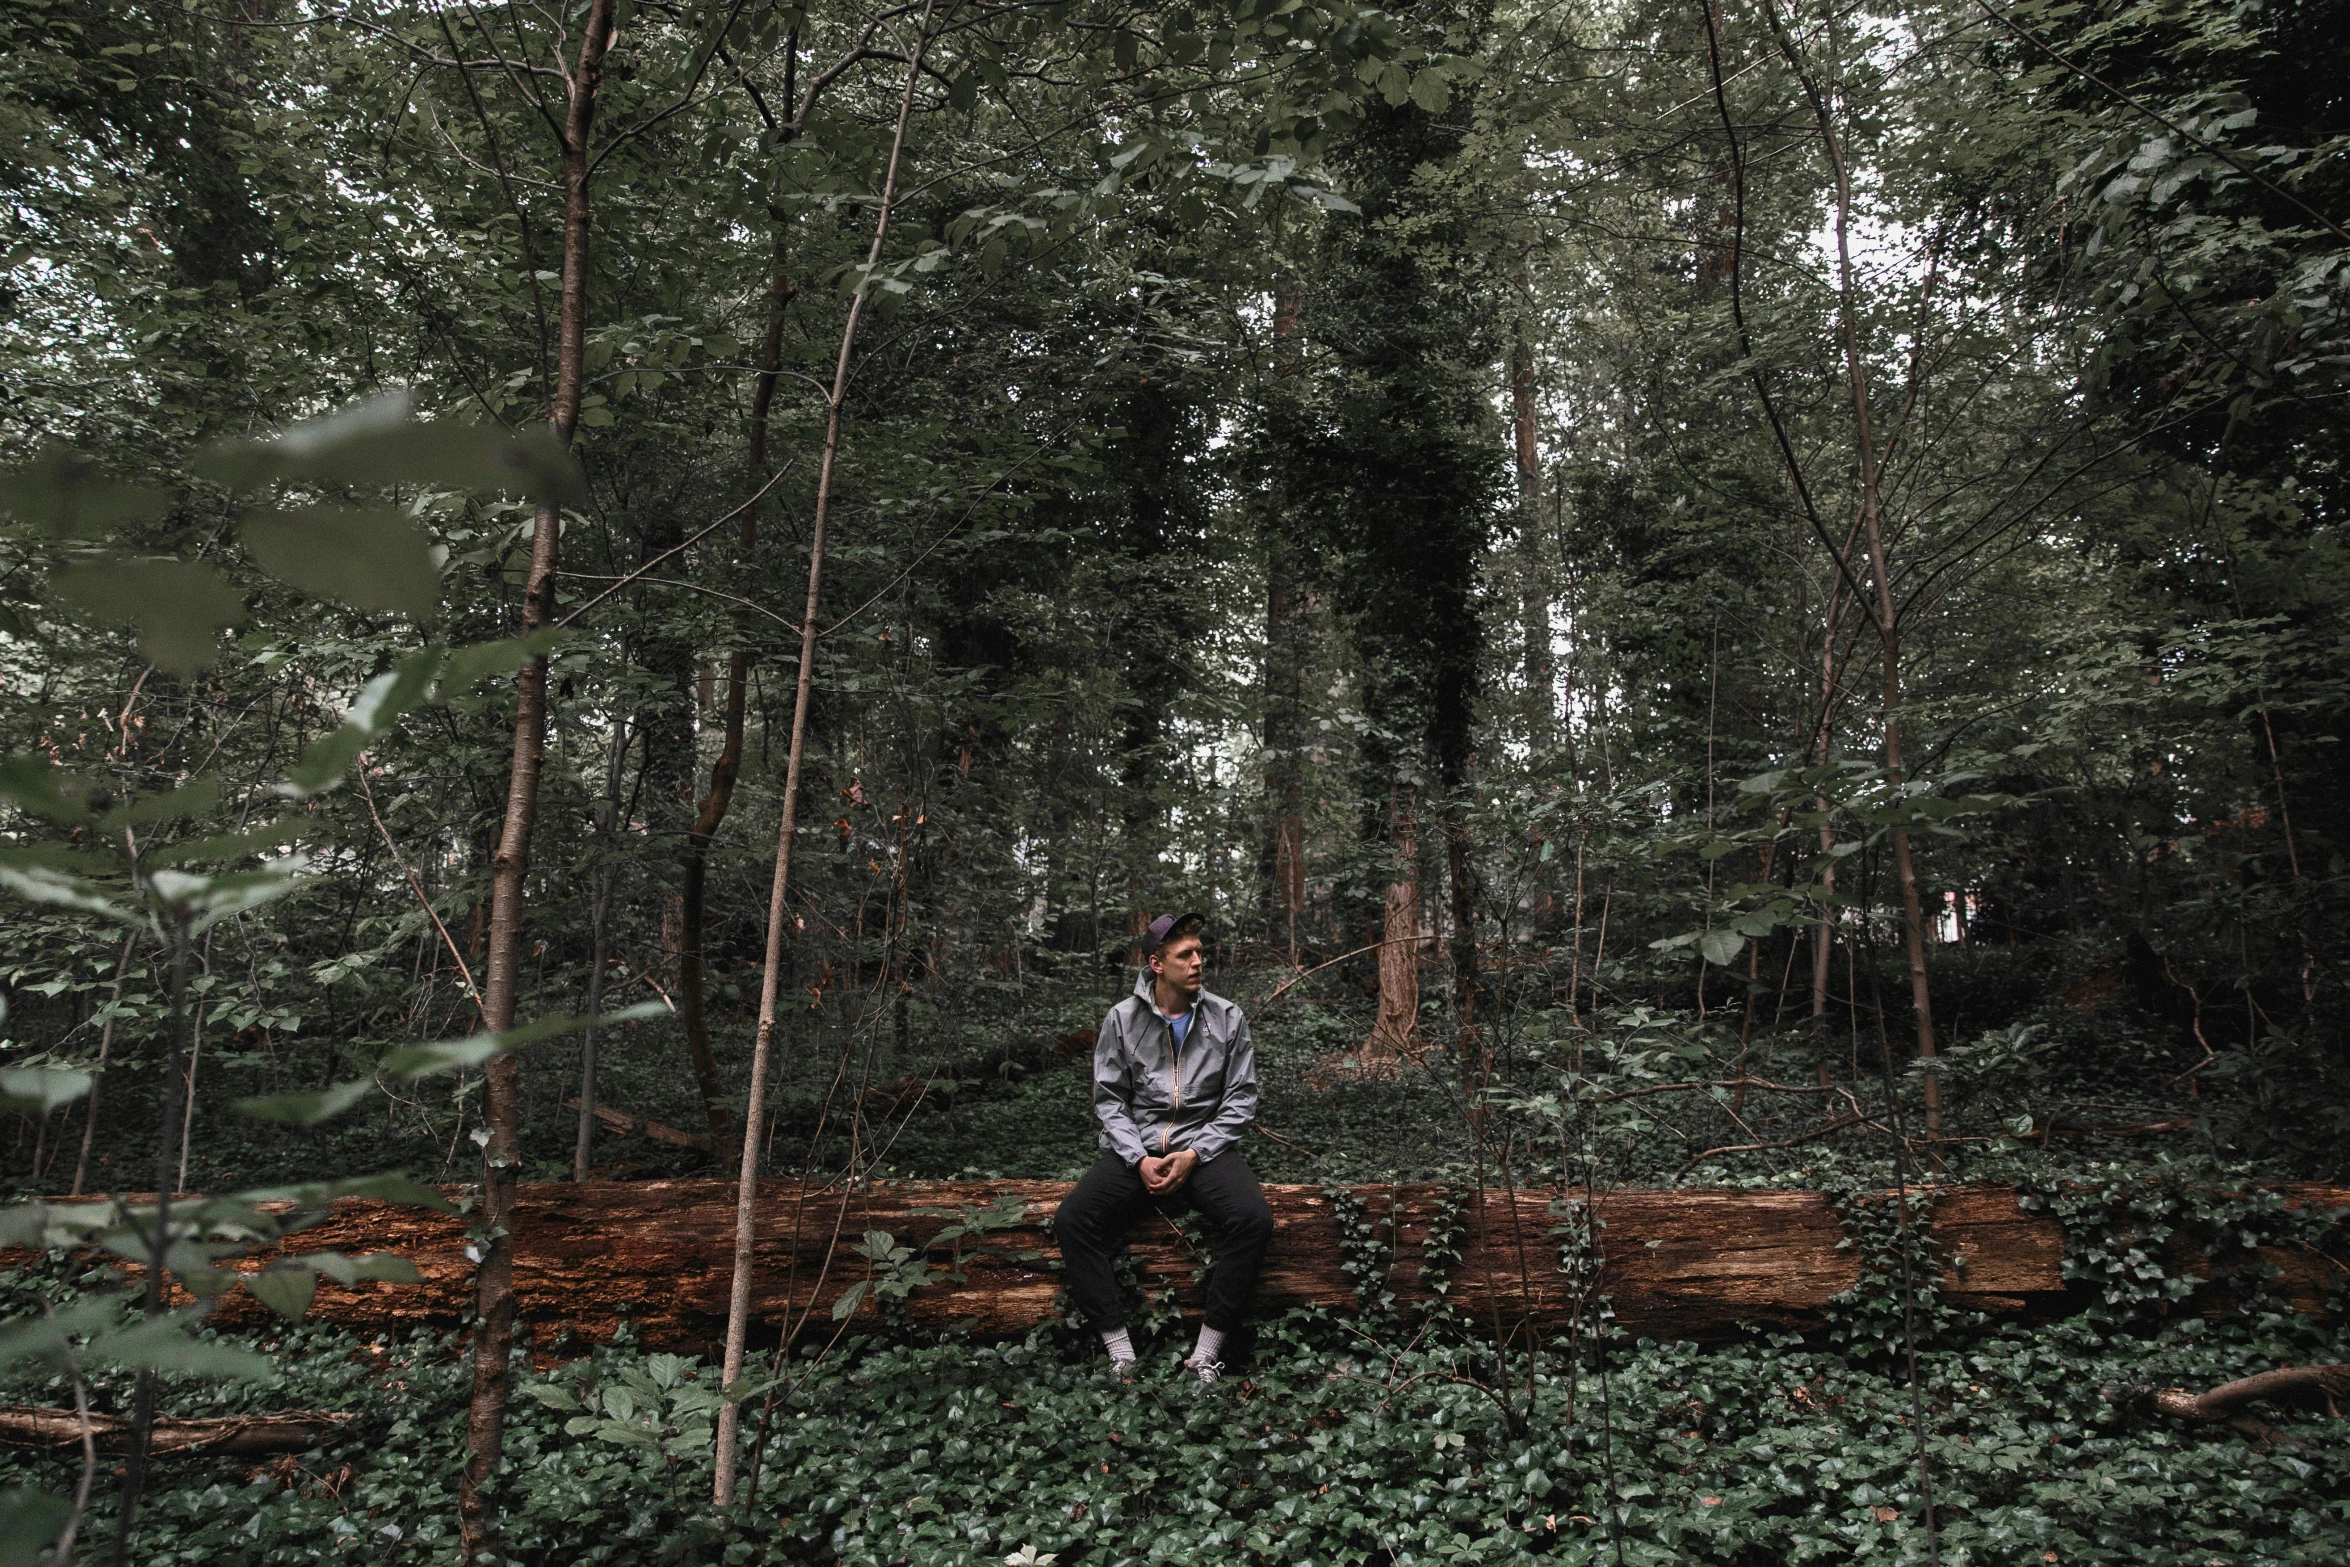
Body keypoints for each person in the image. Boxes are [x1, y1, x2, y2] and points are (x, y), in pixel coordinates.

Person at [1052, 911, 1272, 1385]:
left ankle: (1206, 1354)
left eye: (1200, 953)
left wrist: (1195, 1154)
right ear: (1156, 963)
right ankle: (1120, 1352)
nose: (1198, 962)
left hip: (1203, 1147)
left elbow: (1241, 1097)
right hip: (1139, 1149)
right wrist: (1139, 1157)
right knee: (1073, 1219)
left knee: (1253, 1219)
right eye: (1185, 955)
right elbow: (1110, 1100)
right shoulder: (1122, 1019)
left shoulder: (1227, 1017)